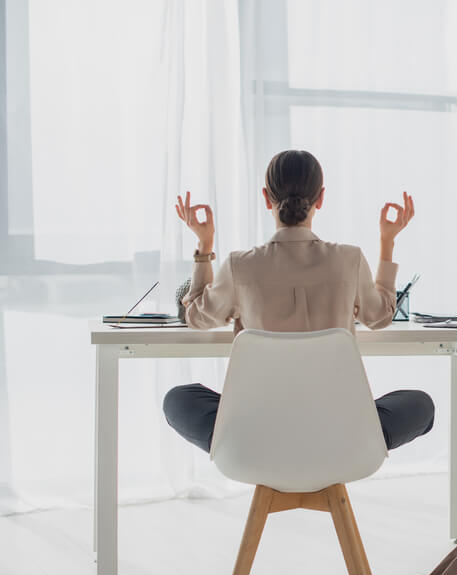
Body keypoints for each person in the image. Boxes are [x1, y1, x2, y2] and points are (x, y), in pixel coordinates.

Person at [162, 149, 435, 453]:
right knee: (421, 404)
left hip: (258, 436)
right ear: (320, 198)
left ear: (266, 198)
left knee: (178, 399)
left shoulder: (241, 265)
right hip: (337, 435)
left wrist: (204, 246)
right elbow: (380, 317)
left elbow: (197, 318)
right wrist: (387, 242)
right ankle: (355, 442)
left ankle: (244, 446)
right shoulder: (349, 259)